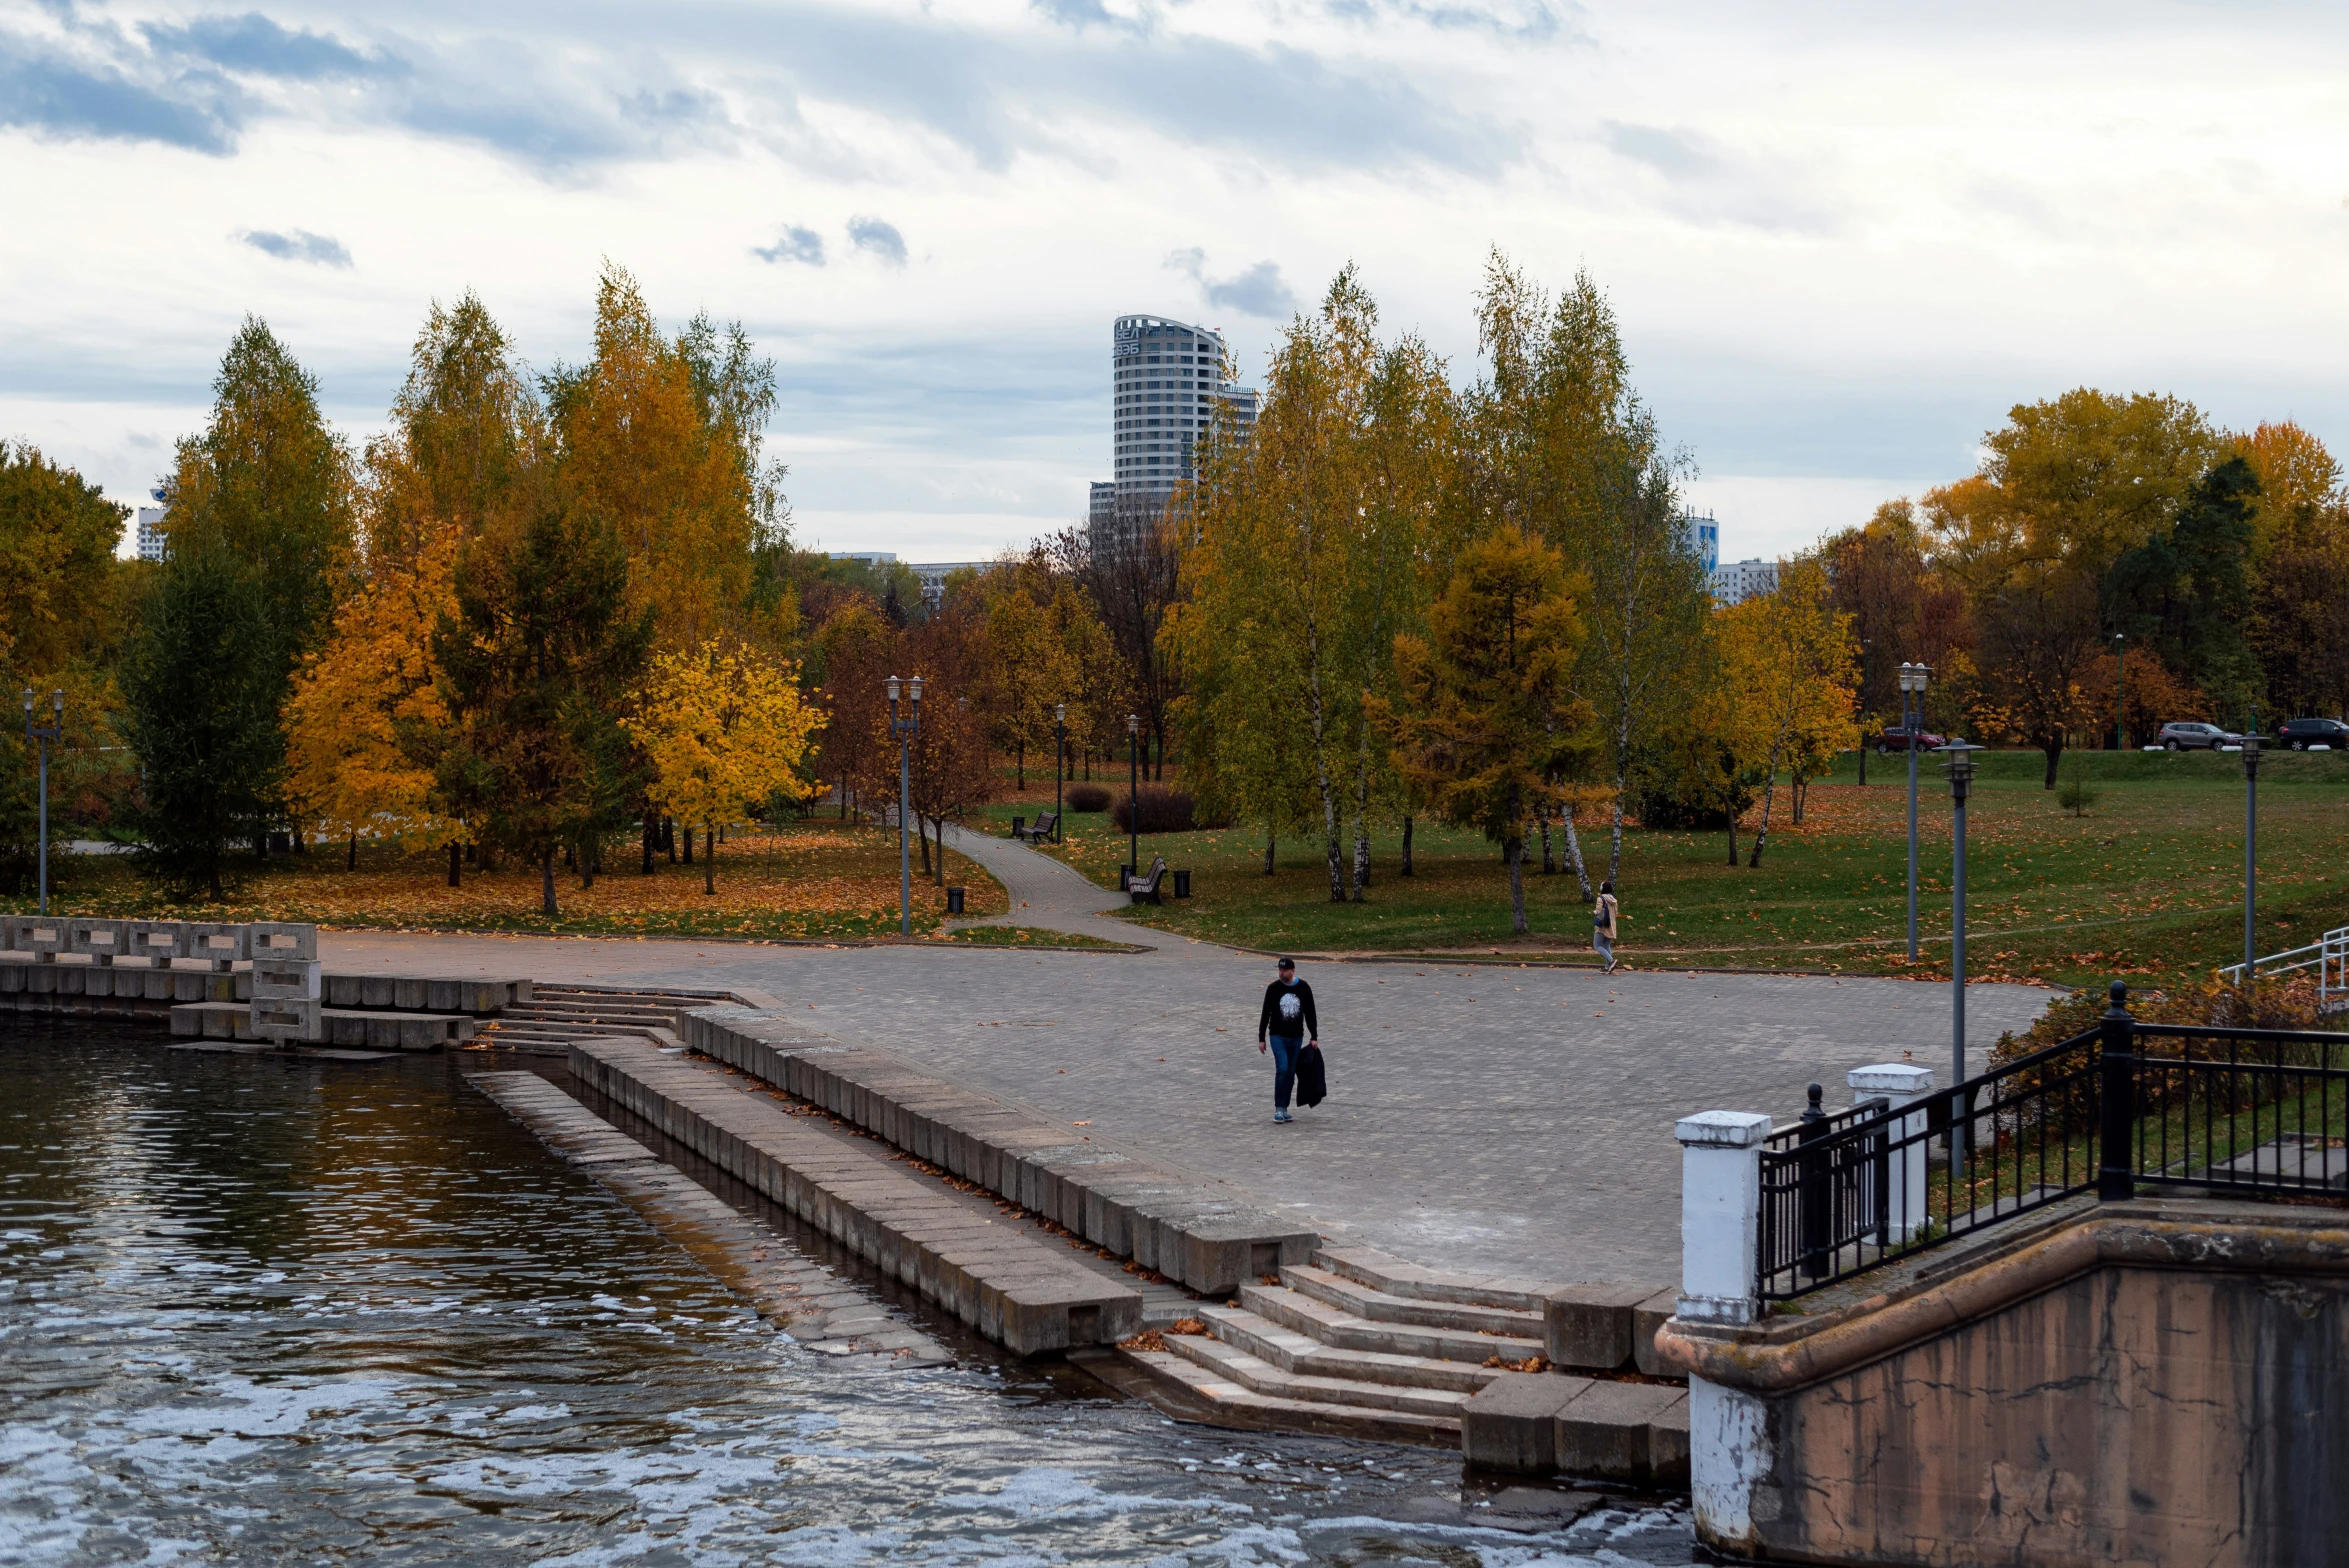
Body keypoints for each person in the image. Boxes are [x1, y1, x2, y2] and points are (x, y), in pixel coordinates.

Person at [1255, 957, 1318, 1124]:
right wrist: (1261, 1038)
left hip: (1296, 1036)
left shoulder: (1303, 988)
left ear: (1292, 971)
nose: (1281, 973)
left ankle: (1284, 1107)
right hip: (1277, 1036)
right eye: (1279, 970)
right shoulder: (1273, 988)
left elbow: (1310, 1013)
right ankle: (1278, 1108)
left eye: (1284, 970)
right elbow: (1265, 1014)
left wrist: (1314, 1036)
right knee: (1282, 1068)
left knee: (1290, 1072)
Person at [1593, 880, 1620, 973]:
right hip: (1611, 925)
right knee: (1606, 945)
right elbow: (1616, 913)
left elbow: (1598, 911)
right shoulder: (1613, 899)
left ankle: (1611, 961)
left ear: (1602, 888)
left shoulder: (1600, 898)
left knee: (1597, 945)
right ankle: (1607, 966)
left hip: (1602, 925)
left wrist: (1594, 912)